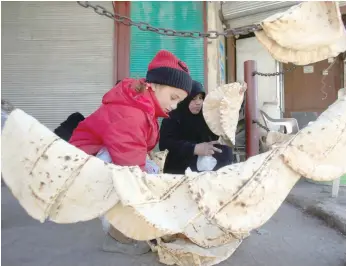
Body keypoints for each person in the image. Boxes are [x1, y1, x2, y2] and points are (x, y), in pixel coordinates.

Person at [69, 50, 193, 255]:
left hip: (99, 158)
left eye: (178, 101)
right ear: (154, 85)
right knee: (134, 182)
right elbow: (130, 165)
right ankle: (119, 237)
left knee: (149, 173)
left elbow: (136, 150)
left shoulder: (142, 105)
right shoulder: (131, 113)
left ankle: (141, 228)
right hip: (82, 168)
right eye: (173, 97)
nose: (174, 105)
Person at [159, 81, 234, 175]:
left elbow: (216, 138)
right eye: (193, 99)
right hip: (179, 171)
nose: (198, 103)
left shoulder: (206, 117)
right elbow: (165, 144)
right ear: (184, 100)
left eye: (201, 98)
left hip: (203, 168)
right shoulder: (173, 118)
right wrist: (194, 149)